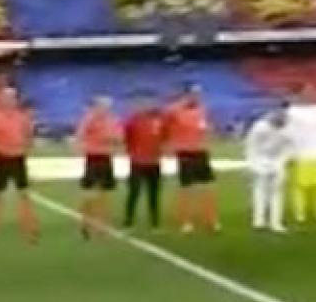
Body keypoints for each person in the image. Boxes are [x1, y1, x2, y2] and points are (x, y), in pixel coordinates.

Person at [0, 86, 39, 243]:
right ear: (1, 100)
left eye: (12, 97)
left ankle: (30, 229)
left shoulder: (22, 118)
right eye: (6, 97)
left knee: (24, 194)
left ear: (15, 100)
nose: (9, 100)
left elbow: (28, 137)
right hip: (2, 159)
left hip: (18, 159)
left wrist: (25, 151)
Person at [164, 82, 217, 234]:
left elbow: (205, 127)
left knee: (208, 186)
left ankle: (211, 219)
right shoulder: (173, 110)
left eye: (199, 93)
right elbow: (165, 130)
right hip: (184, 152)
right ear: (186, 94)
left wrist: (206, 135)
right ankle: (186, 221)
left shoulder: (202, 109)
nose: (197, 96)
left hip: (201, 151)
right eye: (194, 93)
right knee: (187, 187)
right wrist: (169, 146)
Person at [285, 86, 316, 229]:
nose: (311, 95)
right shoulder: (293, 112)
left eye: (313, 92)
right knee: (300, 189)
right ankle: (300, 217)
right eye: (307, 93)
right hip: (302, 156)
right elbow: (289, 134)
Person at [74, 95, 119, 236]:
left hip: (106, 158)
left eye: (107, 107)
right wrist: (82, 148)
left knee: (103, 192)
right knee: (90, 192)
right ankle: (85, 221)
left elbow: (118, 137)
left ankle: (101, 224)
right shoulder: (88, 119)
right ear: (96, 106)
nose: (104, 109)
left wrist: (112, 139)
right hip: (93, 158)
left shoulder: (113, 121)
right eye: (102, 106)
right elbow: (80, 135)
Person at [121, 92, 166, 229]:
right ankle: (128, 220)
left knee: (154, 193)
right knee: (134, 192)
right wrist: (132, 153)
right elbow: (126, 139)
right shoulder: (132, 121)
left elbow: (164, 137)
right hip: (137, 162)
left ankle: (155, 221)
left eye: (149, 102)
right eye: (142, 103)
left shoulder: (159, 120)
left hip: (154, 162)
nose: (146, 105)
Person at [244, 106, 292, 233]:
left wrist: (281, 163)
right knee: (260, 192)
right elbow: (251, 147)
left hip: (277, 161)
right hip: (259, 160)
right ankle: (258, 222)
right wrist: (254, 165)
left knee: (277, 192)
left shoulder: (287, 129)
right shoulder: (260, 127)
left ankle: (276, 223)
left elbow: (288, 148)